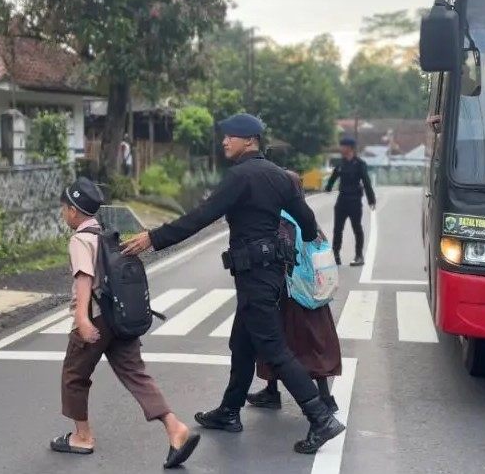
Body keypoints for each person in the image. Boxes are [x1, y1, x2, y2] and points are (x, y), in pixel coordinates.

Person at [120, 113, 345, 455]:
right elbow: (309, 224)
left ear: (249, 140)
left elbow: (200, 217)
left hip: (255, 275)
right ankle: (229, 411)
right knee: (241, 342)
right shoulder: (280, 178)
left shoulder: (240, 177)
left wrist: (153, 237)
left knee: (273, 347)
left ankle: (319, 417)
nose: (224, 141)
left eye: (230, 136)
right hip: (271, 274)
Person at [51, 176, 200, 469]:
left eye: (64, 208)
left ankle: (82, 437)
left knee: (73, 375)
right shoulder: (108, 237)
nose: (63, 214)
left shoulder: (81, 239)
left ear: (72, 210)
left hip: (95, 318)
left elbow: (83, 278)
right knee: (136, 375)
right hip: (121, 320)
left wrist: (81, 317)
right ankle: (175, 428)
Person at [247, 170, 343, 413]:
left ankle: (280, 393)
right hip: (313, 292)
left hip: (289, 293)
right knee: (315, 341)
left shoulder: (282, 218)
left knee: (280, 340)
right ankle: (322, 395)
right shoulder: (305, 215)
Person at [324, 136, 376, 266]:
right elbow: (333, 178)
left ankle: (359, 256)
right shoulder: (341, 164)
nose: (341, 148)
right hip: (342, 199)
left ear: (349, 148)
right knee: (337, 229)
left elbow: (366, 182)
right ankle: (336, 254)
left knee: (357, 228)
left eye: (343, 146)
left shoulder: (359, 164)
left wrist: (371, 200)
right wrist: (328, 187)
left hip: (354, 200)